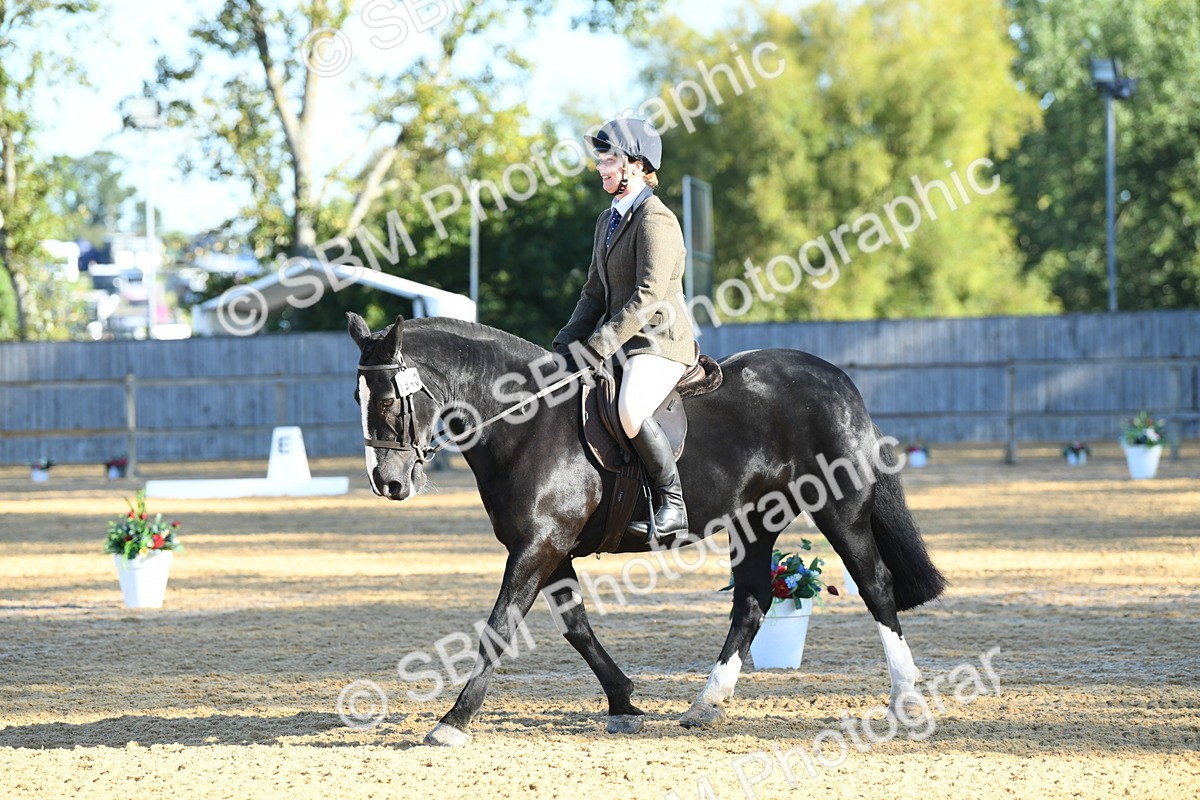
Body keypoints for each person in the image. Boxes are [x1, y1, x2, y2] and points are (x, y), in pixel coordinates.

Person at [552, 118, 696, 541]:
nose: (601, 165)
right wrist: (564, 343)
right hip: (622, 344)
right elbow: (594, 292)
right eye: (600, 158)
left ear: (635, 164)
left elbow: (647, 296)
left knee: (629, 408)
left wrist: (595, 347)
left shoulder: (657, 220)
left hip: (659, 341)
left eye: (609, 157)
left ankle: (673, 504)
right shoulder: (607, 220)